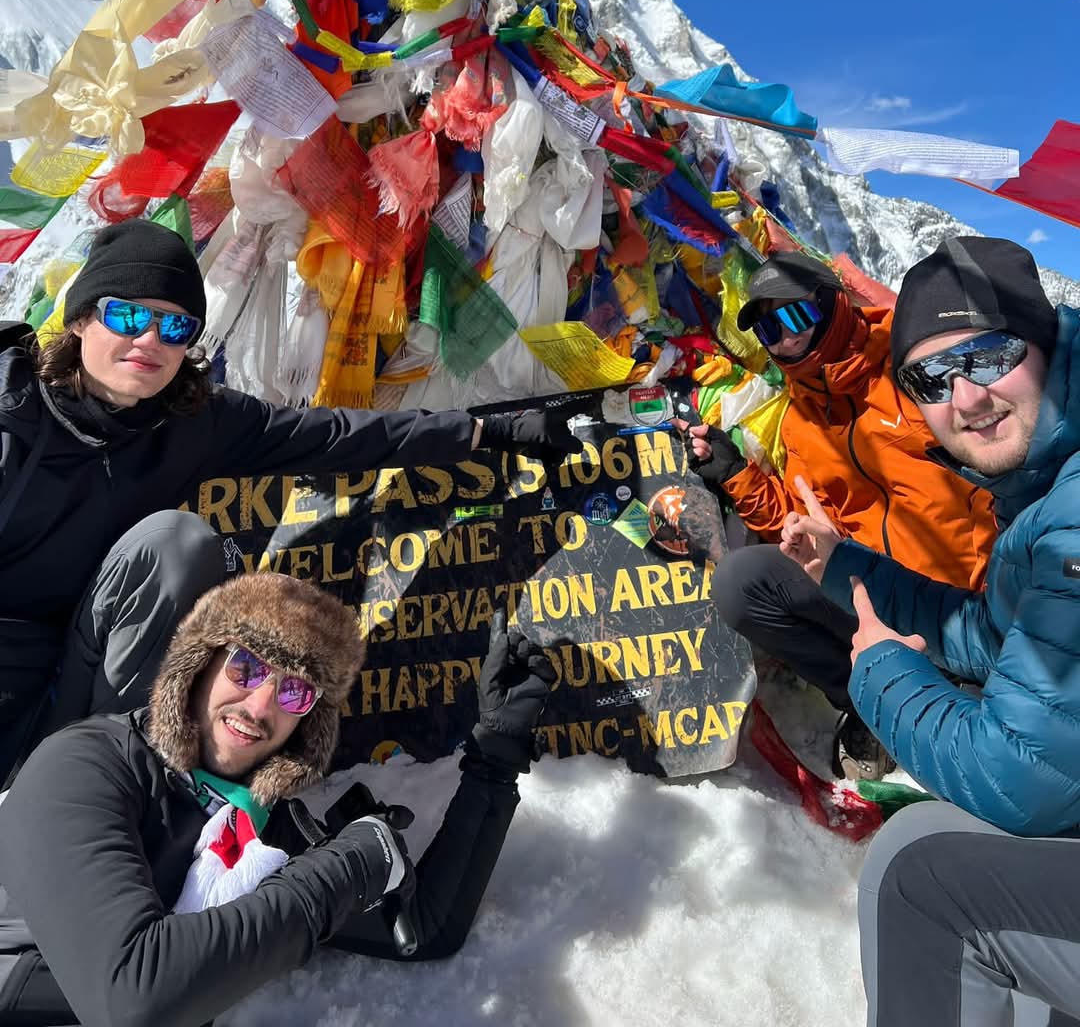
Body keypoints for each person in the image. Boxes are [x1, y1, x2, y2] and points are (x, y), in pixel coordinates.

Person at [0, 217, 580, 782]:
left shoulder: (191, 423)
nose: (149, 341)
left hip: (80, 659)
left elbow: (334, 436)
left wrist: (487, 432)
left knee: (177, 545)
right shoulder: (12, 412)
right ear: (80, 321)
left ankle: (106, 767)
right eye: (126, 315)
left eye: (174, 328)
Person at [0, 569, 556, 1025]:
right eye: (247, 666)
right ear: (201, 663)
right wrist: (343, 871)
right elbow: (136, 997)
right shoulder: (84, 765)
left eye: (294, 691)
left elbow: (425, 929)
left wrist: (494, 758)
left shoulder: (261, 831)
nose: (260, 707)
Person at [780, 236, 1080, 1027]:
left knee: (920, 874)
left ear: (1042, 341)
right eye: (932, 379)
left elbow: (1019, 779)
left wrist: (882, 677)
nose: (967, 398)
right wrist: (845, 569)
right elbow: (989, 631)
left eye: (986, 355)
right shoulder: (1044, 484)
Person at [687, 250, 996, 779]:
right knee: (743, 581)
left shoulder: (915, 367)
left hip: (969, 607)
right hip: (873, 597)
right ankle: (870, 701)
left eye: (793, 317)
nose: (783, 340)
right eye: (768, 331)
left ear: (832, 302)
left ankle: (961, 681)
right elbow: (798, 526)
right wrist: (735, 472)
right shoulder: (800, 422)